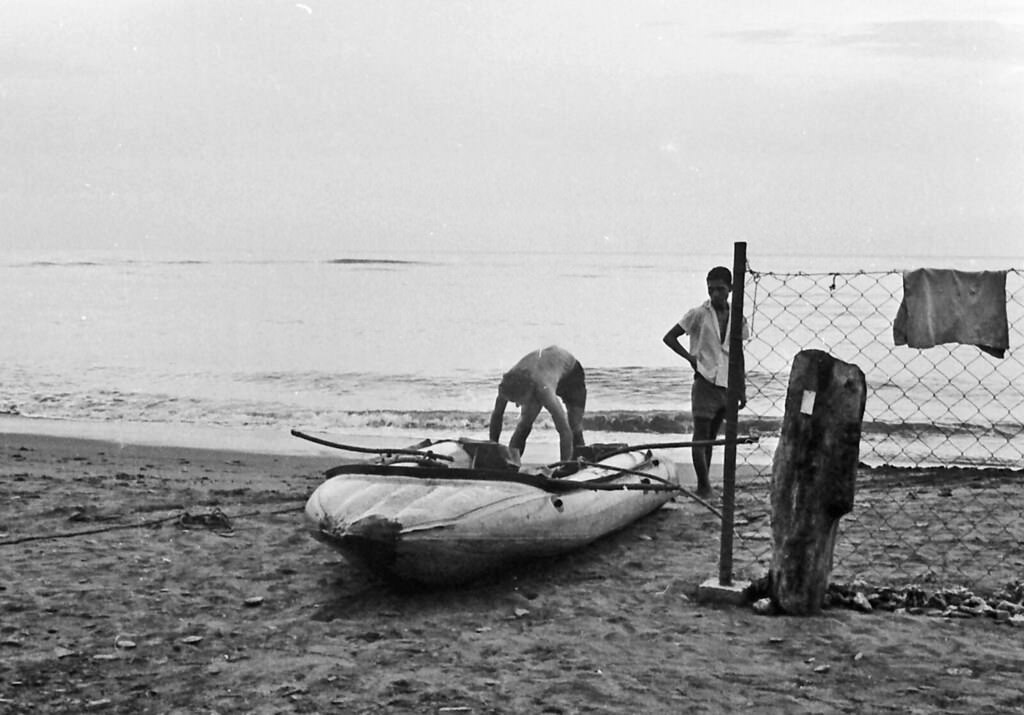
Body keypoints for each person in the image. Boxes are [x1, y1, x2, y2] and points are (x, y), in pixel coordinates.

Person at [662, 266, 748, 498]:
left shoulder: (737, 316)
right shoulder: (698, 313)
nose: (715, 294)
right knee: (700, 436)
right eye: (711, 289)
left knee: (712, 436)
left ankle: (705, 482)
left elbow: (737, 353)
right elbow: (669, 337)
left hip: (726, 383)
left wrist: (741, 387)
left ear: (730, 289)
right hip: (704, 380)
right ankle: (703, 485)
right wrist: (690, 357)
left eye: (720, 289)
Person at [489, 345, 586, 463]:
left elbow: (565, 431)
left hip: (571, 373)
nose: (517, 406)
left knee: (574, 426)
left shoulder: (544, 389)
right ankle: (512, 462)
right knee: (524, 423)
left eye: (518, 401)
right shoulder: (507, 384)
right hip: (543, 370)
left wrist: (563, 466)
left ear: (528, 391)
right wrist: (492, 447)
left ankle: (576, 462)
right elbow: (498, 414)